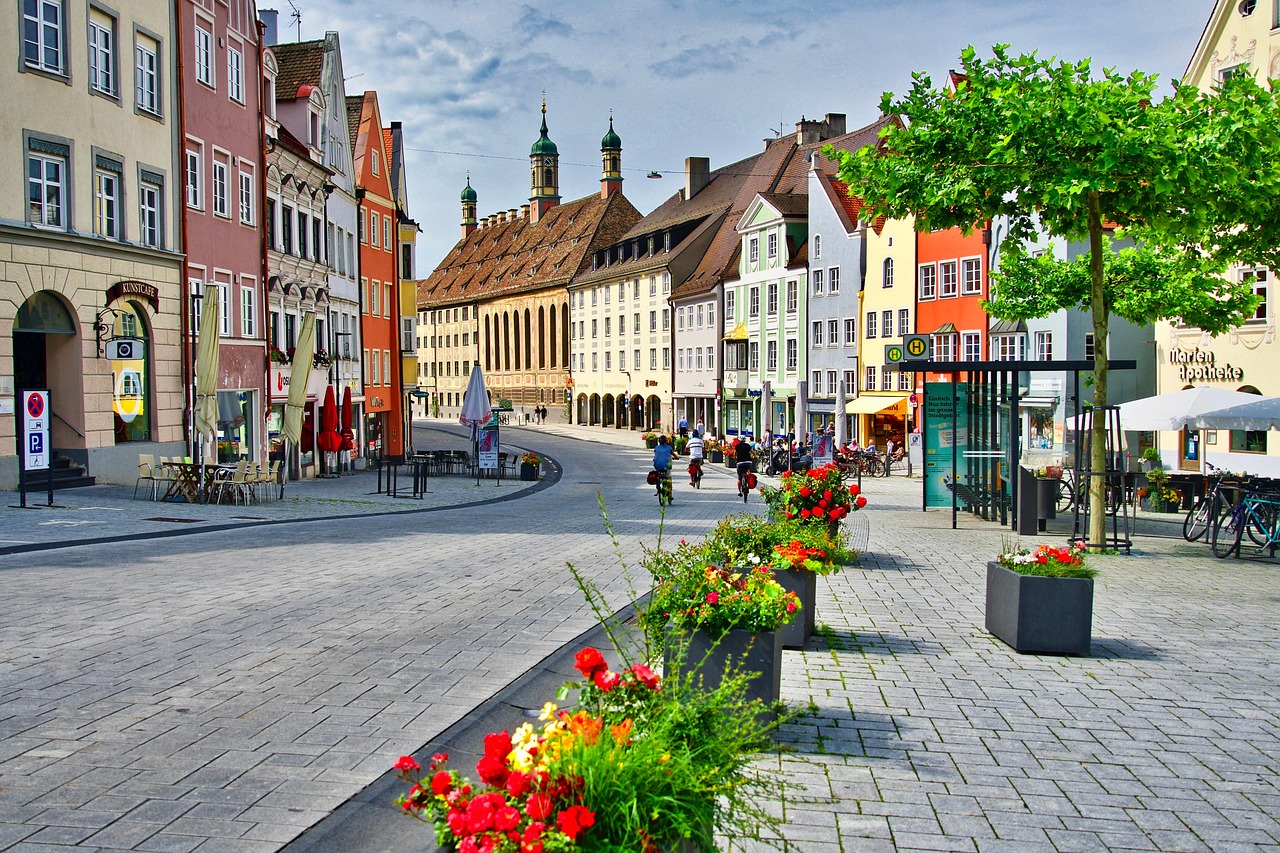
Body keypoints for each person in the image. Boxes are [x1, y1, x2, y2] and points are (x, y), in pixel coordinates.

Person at [652, 435, 675, 501]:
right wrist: (676, 457)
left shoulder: (656, 447)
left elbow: (656, 455)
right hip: (666, 466)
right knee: (668, 478)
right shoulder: (669, 447)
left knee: (658, 474)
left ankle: (658, 485)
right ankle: (670, 495)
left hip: (657, 466)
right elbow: (673, 454)